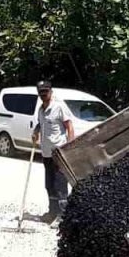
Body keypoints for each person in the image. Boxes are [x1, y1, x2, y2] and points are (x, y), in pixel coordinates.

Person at [30, 81, 75, 222]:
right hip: (46, 153)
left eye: (45, 91)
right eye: (41, 92)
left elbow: (69, 126)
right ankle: (52, 212)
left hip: (58, 153)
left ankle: (63, 216)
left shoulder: (59, 107)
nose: (43, 94)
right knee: (49, 184)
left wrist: (70, 146)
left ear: (51, 91)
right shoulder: (41, 109)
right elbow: (40, 123)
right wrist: (36, 131)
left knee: (60, 184)